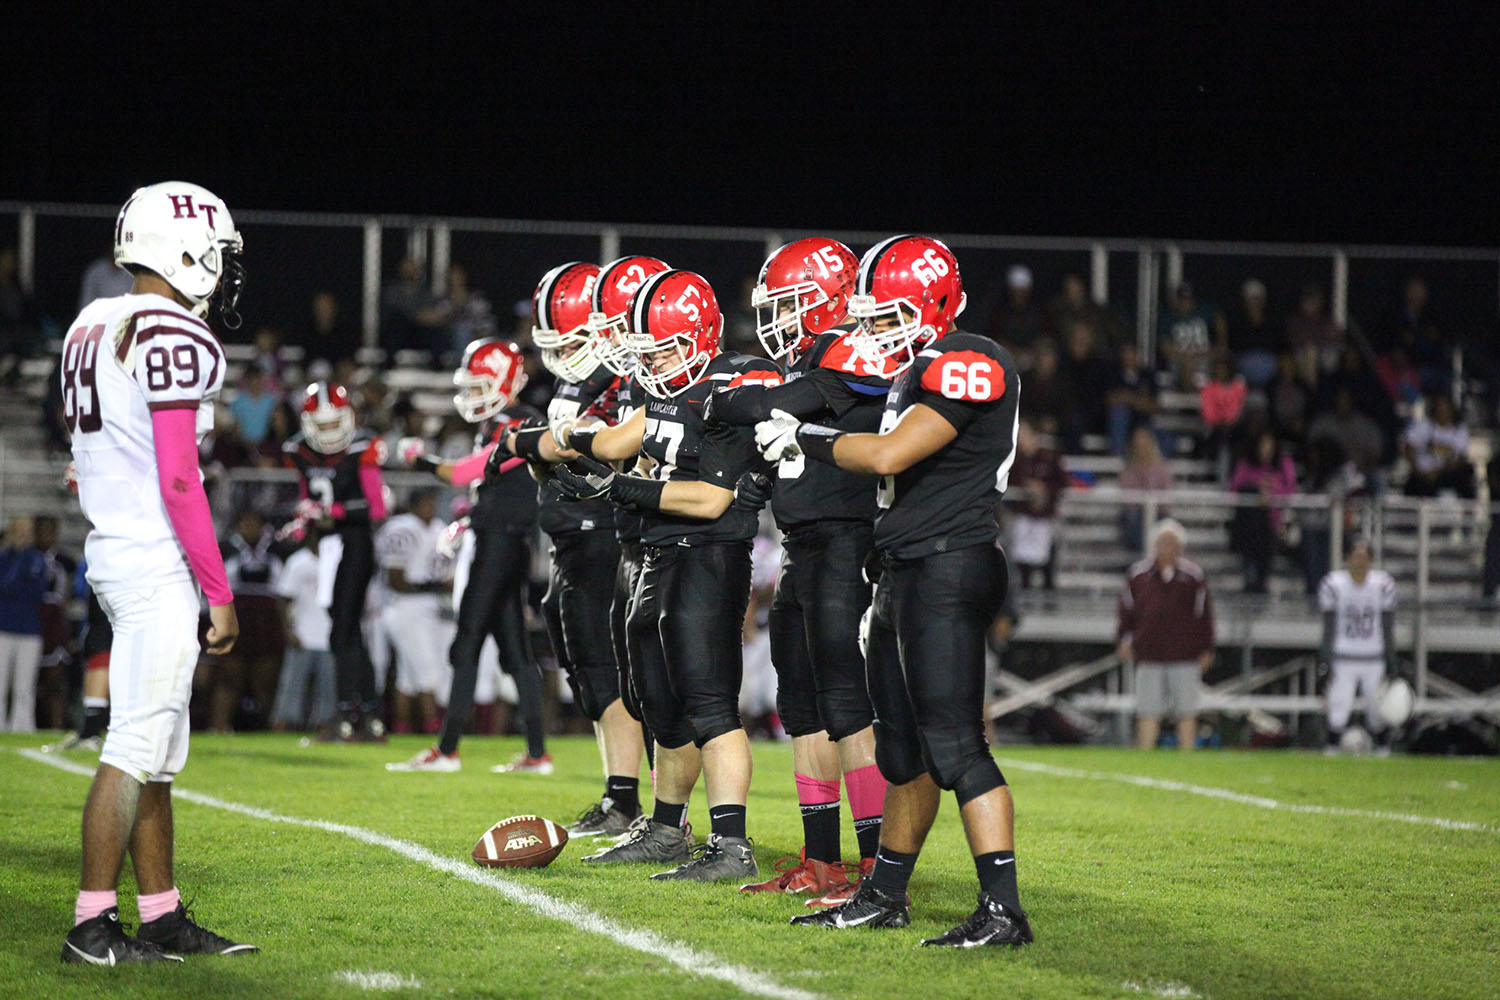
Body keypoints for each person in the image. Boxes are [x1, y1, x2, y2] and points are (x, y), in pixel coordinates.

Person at [756, 236, 1033, 947]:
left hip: (949, 562)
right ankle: (885, 892)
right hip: (904, 566)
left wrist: (805, 438)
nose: (876, 329)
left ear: (934, 305)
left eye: (889, 315)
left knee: (956, 747)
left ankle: (1002, 907)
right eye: (870, 316)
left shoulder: (968, 359)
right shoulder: (916, 368)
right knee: (902, 753)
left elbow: (887, 454)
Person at [60, 180, 254, 963]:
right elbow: (180, 478)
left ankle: (163, 916)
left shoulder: (94, 319)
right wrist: (219, 590)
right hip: (149, 558)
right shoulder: (172, 328)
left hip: (114, 545)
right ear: (188, 249)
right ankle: (90, 925)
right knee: (135, 743)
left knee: (159, 753)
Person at [547, 269, 781, 884]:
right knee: (661, 706)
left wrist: (617, 485)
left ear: (701, 337)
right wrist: (572, 440)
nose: (655, 362)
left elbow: (709, 498)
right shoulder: (667, 389)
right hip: (657, 553)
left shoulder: (732, 387)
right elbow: (621, 441)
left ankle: (732, 844)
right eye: (647, 351)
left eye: (664, 349)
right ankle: (665, 828)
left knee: (709, 705)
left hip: (709, 556)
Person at [702, 238, 888, 902]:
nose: (777, 321)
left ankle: (875, 868)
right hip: (803, 548)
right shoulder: (808, 362)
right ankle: (823, 860)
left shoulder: (859, 346)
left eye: (789, 304)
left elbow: (773, 405)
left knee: (847, 706)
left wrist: (717, 400)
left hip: (850, 542)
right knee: (802, 710)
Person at [386, 338, 549, 773]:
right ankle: (537, 752)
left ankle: (449, 749)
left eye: (481, 384)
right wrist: (468, 518)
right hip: (503, 539)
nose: (473, 394)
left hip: (501, 543)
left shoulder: (520, 421)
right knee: (514, 651)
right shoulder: (499, 421)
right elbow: (492, 487)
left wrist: (420, 459)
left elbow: (463, 472)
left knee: (468, 640)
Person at [521, 261, 645, 834]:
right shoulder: (580, 378)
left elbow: (603, 450)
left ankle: (628, 802)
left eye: (571, 338)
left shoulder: (624, 376)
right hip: (569, 537)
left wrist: (533, 443)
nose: (563, 353)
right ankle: (617, 795)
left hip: (600, 534)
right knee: (587, 672)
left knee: (606, 668)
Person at [282, 381, 389, 742]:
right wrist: (301, 521)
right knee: (347, 630)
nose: (329, 433)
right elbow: (304, 497)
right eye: (322, 425)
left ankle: (348, 713)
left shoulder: (362, 448)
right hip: (329, 546)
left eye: (333, 424)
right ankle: (367, 714)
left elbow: (376, 506)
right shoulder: (299, 451)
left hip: (355, 542)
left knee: (342, 629)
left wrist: (332, 511)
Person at [1117, 519, 1215, 752]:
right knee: (1148, 710)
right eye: (1162, 541)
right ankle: (1146, 754)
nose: (1166, 547)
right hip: (1149, 652)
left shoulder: (1193, 576)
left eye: (1171, 542)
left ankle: (1187, 754)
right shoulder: (1138, 575)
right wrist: (1124, 638)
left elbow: (1204, 615)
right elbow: (1126, 611)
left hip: (1184, 653)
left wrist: (1207, 648)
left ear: (1180, 546)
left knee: (1187, 710)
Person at [375, 489, 452, 735]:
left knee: (407, 679)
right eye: (426, 503)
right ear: (414, 505)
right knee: (429, 673)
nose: (431, 508)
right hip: (403, 608)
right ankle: (436, 731)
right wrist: (436, 585)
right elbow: (395, 579)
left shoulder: (440, 528)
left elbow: (447, 572)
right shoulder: (401, 528)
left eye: (433, 502)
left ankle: (401, 729)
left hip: (428, 608)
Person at [1318, 537, 1398, 755]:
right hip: (1344, 656)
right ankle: (1331, 748)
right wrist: (1325, 660)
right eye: (1356, 556)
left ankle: (1383, 749)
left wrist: (1392, 660)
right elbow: (1329, 627)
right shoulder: (1334, 585)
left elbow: (1387, 626)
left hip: (1373, 656)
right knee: (1338, 707)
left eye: (1364, 557)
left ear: (1372, 560)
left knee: (1377, 710)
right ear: (1347, 559)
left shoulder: (1382, 585)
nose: (1360, 562)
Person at [215, 510, 284, 731]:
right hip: (236, 614)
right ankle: (218, 726)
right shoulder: (226, 549)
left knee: (264, 680)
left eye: (256, 523)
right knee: (229, 678)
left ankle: (268, 728)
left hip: (265, 619)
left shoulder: (277, 550)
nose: (251, 528)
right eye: (245, 523)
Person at [270, 524, 335, 732]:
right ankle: (281, 726)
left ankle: (324, 729)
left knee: (328, 692)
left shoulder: (335, 562)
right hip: (303, 635)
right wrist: (289, 631)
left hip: (329, 637)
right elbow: (284, 599)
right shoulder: (298, 562)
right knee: (291, 689)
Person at [1227, 431, 1297, 593]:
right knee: (1249, 562)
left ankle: (1261, 584)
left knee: (1265, 562)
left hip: (1271, 523)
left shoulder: (1283, 463)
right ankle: (1249, 584)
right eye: (1263, 445)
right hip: (1248, 524)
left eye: (1269, 445)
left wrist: (1270, 495)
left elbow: (1290, 492)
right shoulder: (1246, 464)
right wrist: (1256, 490)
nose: (1266, 449)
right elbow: (1234, 489)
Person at [1005, 420, 1067, 590]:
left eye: (1024, 435)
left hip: (1045, 517)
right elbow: (1007, 483)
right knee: (1023, 559)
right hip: (1023, 516)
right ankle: (1025, 588)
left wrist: (1044, 489)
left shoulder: (1049, 457)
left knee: (1046, 559)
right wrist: (1026, 488)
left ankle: (1048, 592)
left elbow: (1063, 482)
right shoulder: (1015, 460)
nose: (1021, 440)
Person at [1, 517, 48, 732]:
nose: (23, 535)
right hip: (4, 626)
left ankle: (22, 726)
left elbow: (35, 593)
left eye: (27, 531)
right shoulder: (4, 557)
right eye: (19, 530)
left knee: (24, 684)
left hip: (29, 629)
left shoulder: (36, 559)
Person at [1402, 394, 1475, 498]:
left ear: (1452, 410)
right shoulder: (1423, 425)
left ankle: (1469, 510)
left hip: (1446, 473)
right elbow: (1408, 448)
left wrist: (1437, 472)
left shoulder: (1460, 429)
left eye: (1445, 407)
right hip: (1421, 473)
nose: (1442, 411)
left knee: (1463, 478)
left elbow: (1459, 459)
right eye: (1439, 407)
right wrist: (1417, 469)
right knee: (1413, 486)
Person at [1158, 282, 1225, 390]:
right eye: (1182, 299)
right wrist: (1185, 358)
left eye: (1188, 299)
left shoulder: (1204, 312)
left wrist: (1209, 353)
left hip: (1205, 358)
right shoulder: (1169, 318)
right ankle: (1191, 400)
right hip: (1180, 361)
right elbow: (1165, 348)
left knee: (1222, 364)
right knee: (1187, 365)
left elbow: (1220, 322)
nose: (1185, 303)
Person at [1118, 426, 1174, 553]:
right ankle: (1144, 554)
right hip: (1137, 513)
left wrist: (1152, 503)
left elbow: (1167, 494)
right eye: (1138, 444)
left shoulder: (1162, 468)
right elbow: (1127, 497)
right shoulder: (1129, 468)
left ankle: (1154, 554)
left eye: (1144, 443)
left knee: (1165, 522)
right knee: (1132, 519)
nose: (1142, 447)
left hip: (1159, 512)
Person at [987, 264, 1043, 362]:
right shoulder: (1000, 312)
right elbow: (994, 337)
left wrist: (1030, 352)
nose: (1020, 294)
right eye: (1016, 290)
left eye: (1023, 290)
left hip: (1033, 358)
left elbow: (1045, 336)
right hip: (1008, 357)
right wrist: (1014, 352)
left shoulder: (1038, 311)